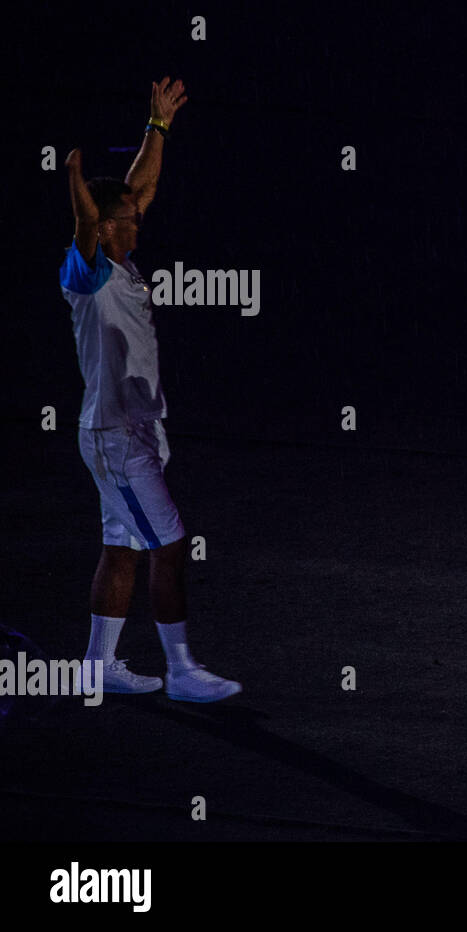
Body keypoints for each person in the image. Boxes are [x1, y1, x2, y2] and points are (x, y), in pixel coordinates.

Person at [60, 77, 241, 703]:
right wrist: (77, 181)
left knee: (122, 547)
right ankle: (184, 672)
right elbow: (88, 219)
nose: (140, 223)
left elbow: (141, 187)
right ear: (104, 228)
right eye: (127, 221)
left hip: (128, 431)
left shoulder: (121, 255)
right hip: (117, 437)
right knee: (169, 545)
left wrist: (157, 126)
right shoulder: (86, 271)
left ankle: (95, 666)